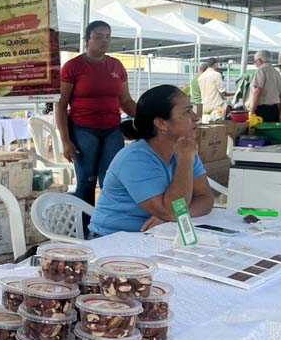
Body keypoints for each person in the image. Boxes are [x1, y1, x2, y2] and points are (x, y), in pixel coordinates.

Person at [88, 85, 214, 236]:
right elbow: (171, 212)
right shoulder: (135, 159)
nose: (196, 117)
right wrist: (185, 160)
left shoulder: (184, 148)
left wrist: (176, 217)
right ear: (161, 123)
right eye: (187, 111)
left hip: (156, 235)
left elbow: (205, 199)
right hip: (112, 239)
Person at [56, 20, 137, 206]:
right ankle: (84, 230)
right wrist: (65, 141)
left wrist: (148, 116)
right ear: (87, 40)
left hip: (112, 131)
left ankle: (104, 227)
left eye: (108, 37)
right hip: (83, 130)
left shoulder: (117, 66)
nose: (105, 41)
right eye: (99, 37)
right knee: (86, 181)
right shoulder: (72, 67)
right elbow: (61, 105)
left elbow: (126, 101)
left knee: (111, 182)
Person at [248, 50, 281, 122]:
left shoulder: (261, 70)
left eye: (255, 61)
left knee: (260, 132)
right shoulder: (276, 72)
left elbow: (257, 91)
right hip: (274, 109)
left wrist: (252, 110)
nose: (255, 64)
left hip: (262, 109)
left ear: (260, 60)